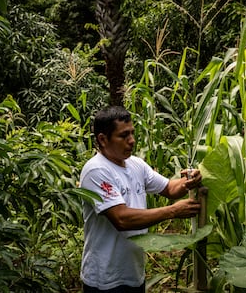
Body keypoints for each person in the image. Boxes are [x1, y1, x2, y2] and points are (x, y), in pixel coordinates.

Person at [79, 106, 202, 292]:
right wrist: (173, 211)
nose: (132, 140)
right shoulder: (96, 170)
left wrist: (188, 181)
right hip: (105, 278)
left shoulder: (135, 164)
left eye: (132, 133)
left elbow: (169, 188)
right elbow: (121, 218)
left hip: (134, 273)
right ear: (103, 139)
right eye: (123, 135)